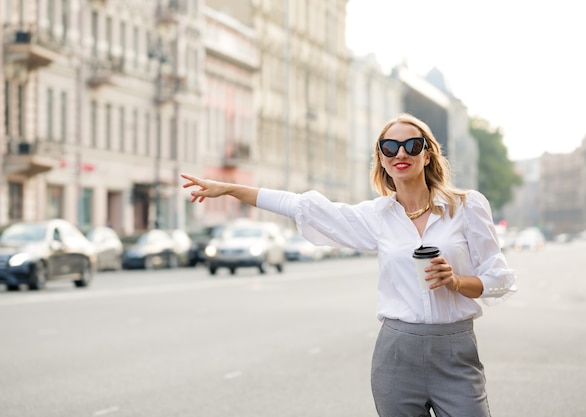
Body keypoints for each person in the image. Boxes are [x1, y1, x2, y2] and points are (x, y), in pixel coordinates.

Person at [181, 113, 516, 417]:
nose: (401, 153)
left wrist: (456, 282)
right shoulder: (376, 217)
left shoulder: (467, 206)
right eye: (390, 146)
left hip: (455, 352)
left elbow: (498, 279)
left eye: (412, 145)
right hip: (396, 354)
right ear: (381, 159)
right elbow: (301, 206)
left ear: (427, 154)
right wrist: (229, 189)